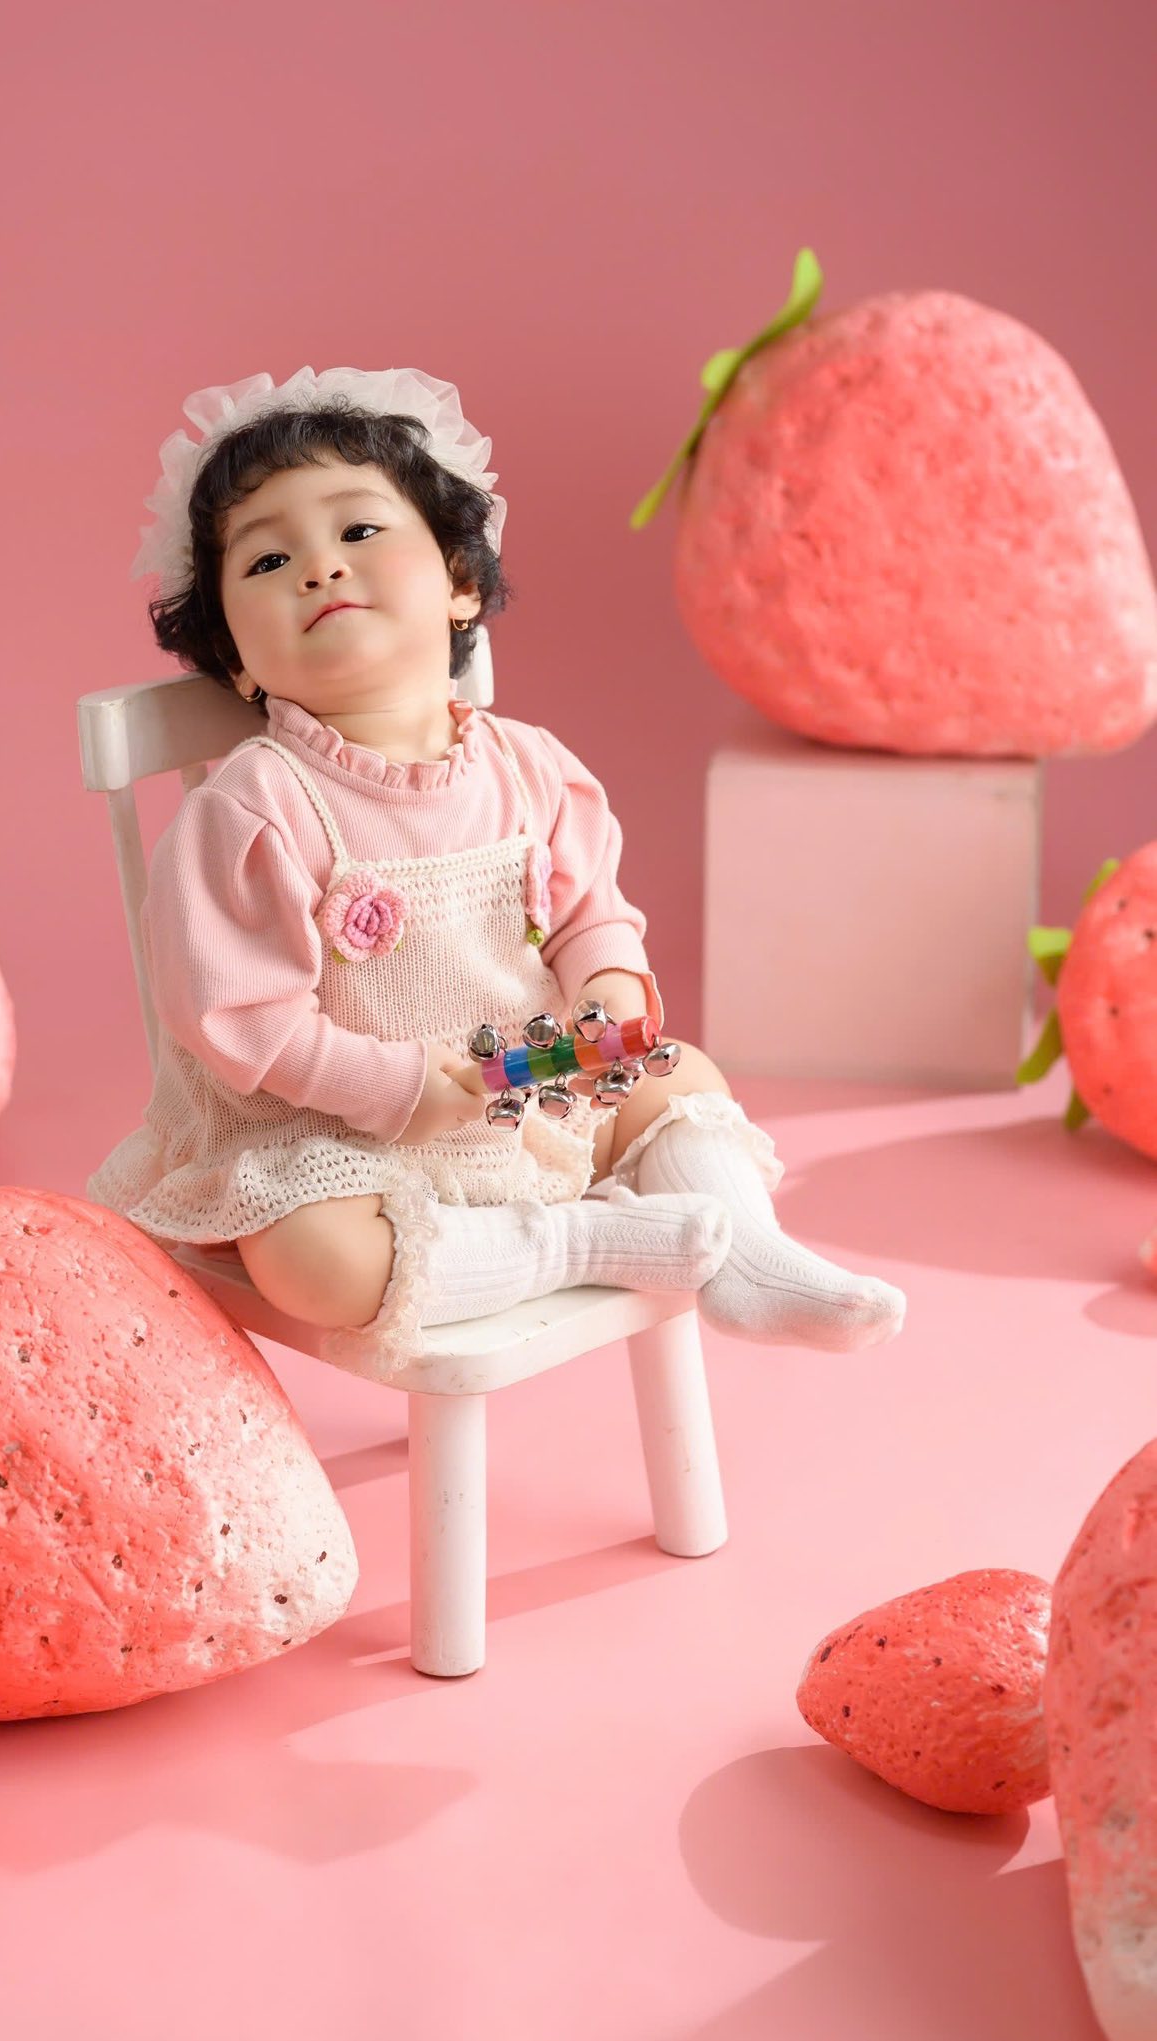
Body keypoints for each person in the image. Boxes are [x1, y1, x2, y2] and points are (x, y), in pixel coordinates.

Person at [88, 367, 906, 1372]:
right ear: (238, 663)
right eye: (267, 559)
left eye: (358, 530)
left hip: (519, 1086)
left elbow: (590, 916)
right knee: (314, 1258)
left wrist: (607, 992)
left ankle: (751, 1257)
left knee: (681, 1074)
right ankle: (581, 1243)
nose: (319, 567)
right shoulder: (256, 809)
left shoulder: (530, 767)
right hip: (335, 1135)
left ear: (459, 584)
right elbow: (241, 1017)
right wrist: (393, 1087)